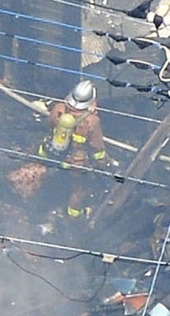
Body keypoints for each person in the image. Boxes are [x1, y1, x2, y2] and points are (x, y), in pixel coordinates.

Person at [38, 80, 109, 220]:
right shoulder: (91, 121)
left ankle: (44, 204)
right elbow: (97, 149)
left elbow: (49, 125)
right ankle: (74, 218)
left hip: (52, 153)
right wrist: (104, 164)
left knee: (50, 180)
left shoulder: (59, 108)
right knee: (79, 190)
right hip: (76, 162)